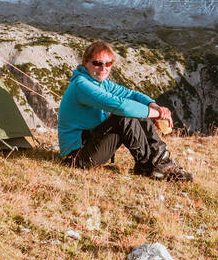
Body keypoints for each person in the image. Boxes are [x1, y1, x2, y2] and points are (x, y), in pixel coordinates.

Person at [57, 40, 193, 181]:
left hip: (89, 146)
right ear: (86, 63)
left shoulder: (101, 83)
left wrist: (154, 106)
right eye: (97, 63)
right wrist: (157, 114)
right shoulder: (81, 84)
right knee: (124, 116)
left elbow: (132, 95)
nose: (103, 68)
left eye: (108, 63)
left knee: (135, 109)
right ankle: (149, 166)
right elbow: (121, 107)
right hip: (76, 158)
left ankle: (160, 162)